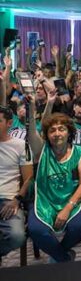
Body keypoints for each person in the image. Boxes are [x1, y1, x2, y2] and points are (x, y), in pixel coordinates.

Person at [26, 99, 81, 262]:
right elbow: (32, 133)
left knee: (78, 227)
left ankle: (57, 256)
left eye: (61, 129)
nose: (57, 134)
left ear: (69, 132)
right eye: (52, 130)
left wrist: (68, 208)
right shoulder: (41, 151)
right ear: (47, 135)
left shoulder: (79, 153)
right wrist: (31, 108)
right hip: (45, 201)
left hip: (73, 200)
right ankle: (64, 259)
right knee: (36, 230)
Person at [0, 106, 33, 262]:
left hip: (9, 200)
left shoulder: (21, 145)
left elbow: (28, 178)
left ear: (9, 123)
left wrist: (17, 200)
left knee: (17, 236)